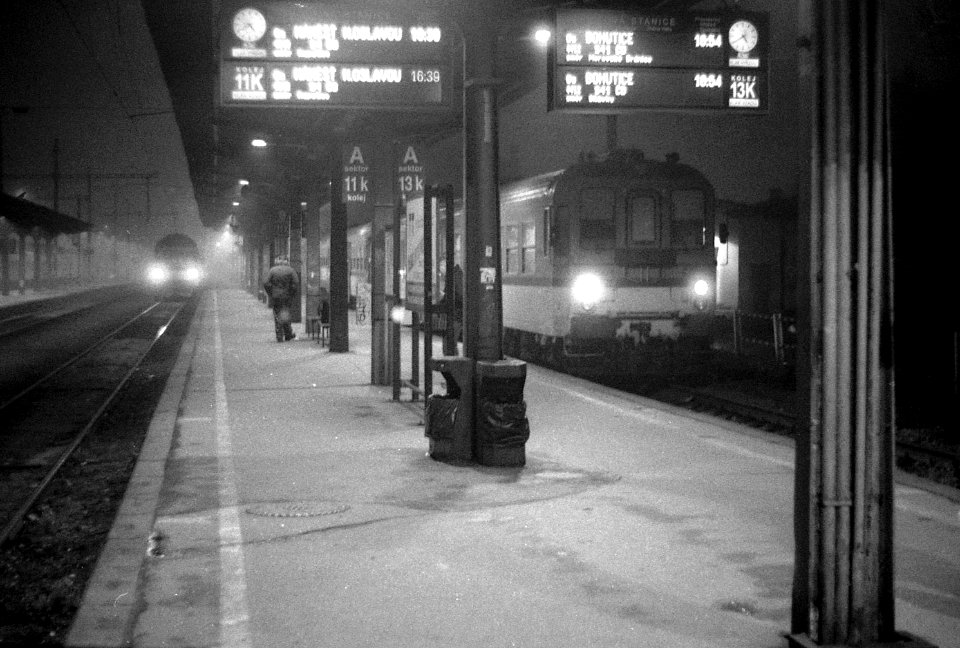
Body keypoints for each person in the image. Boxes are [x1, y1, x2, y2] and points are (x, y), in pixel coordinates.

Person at [263, 256, 299, 342]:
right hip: (287, 296)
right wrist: (292, 293)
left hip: (276, 296)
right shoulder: (291, 270)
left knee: (277, 314)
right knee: (285, 313)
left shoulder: (273, 270)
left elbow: (266, 283)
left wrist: (271, 292)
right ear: (287, 261)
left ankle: (279, 335)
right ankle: (288, 334)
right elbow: (295, 283)